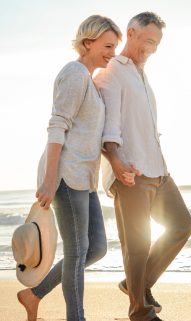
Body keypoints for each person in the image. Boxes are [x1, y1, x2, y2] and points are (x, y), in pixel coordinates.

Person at [17, 15, 125, 321]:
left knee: (96, 249)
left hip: (84, 179)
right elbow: (56, 126)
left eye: (114, 47)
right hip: (65, 176)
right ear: (87, 42)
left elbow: (90, 135)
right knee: (77, 253)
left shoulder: (89, 81)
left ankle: (33, 294)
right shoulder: (74, 74)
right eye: (107, 46)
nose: (111, 53)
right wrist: (50, 180)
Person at [94, 11, 191, 321]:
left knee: (182, 225)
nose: (152, 48)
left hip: (158, 169)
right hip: (131, 171)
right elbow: (108, 125)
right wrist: (117, 161)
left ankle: (136, 284)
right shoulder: (112, 70)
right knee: (137, 246)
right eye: (148, 40)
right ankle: (141, 313)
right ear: (132, 33)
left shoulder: (141, 72)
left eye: (157, 43)